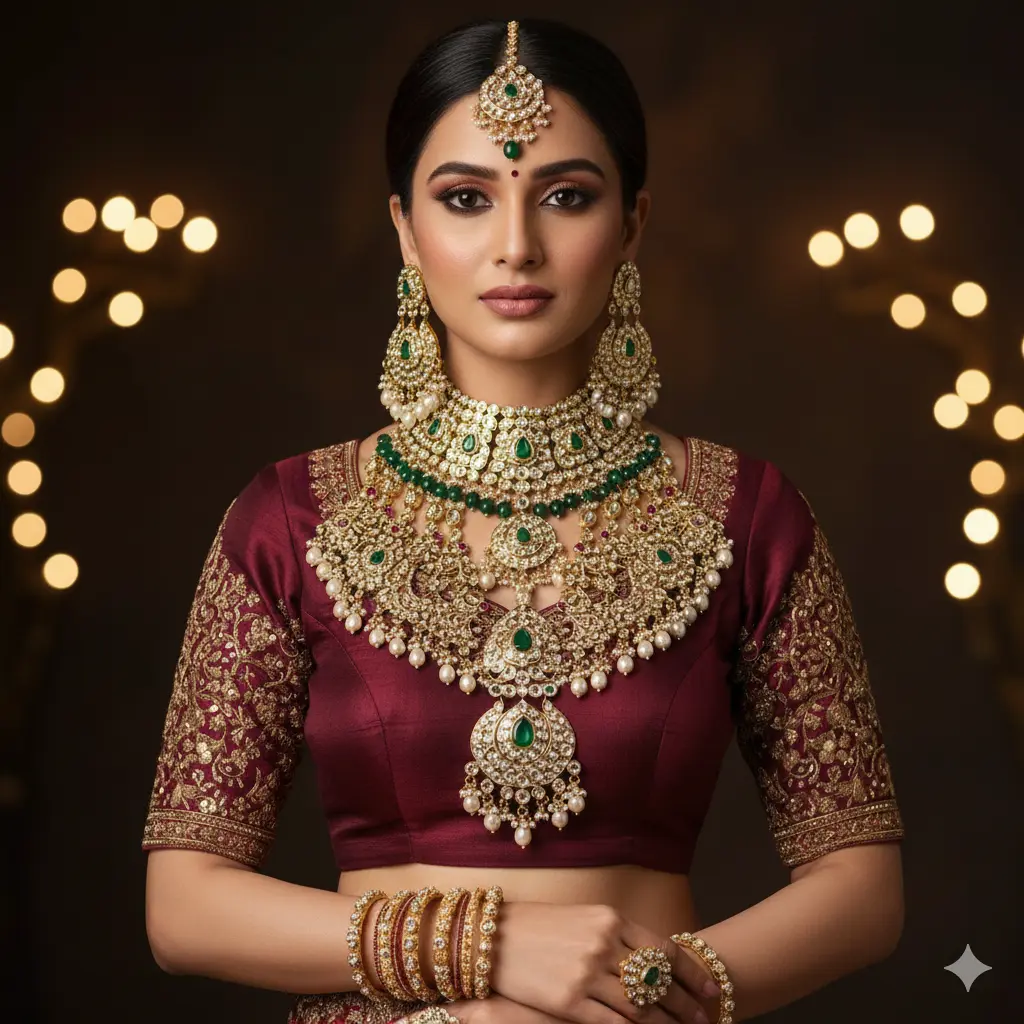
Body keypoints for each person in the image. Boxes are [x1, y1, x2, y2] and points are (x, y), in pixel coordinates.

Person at [140, 17, 905, 1024]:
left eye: (566, 196)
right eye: (465, 198)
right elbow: (185, 905)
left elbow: (860, 888)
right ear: (405, 228)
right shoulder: (289, 520)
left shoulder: (746, 517)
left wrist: (633, 997)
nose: (516, 246)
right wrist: (485, 948)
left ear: (632, 223)